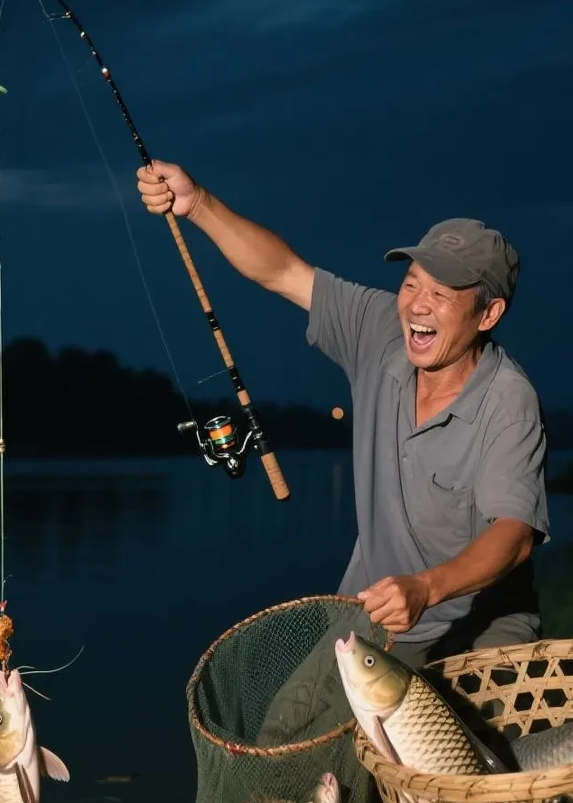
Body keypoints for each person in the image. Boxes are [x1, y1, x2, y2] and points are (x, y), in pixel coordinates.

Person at [135, 160, 551, 745]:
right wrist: (197, 202)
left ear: (488, 314)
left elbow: (514, 534)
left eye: (440, 292)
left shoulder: (510, 400)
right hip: (372, 617)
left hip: (482, 626)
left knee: (477, 771)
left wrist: (427, 589)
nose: (416, 305)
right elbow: (282, 271)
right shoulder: (380, 330)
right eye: (411, 284)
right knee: (284, 734)